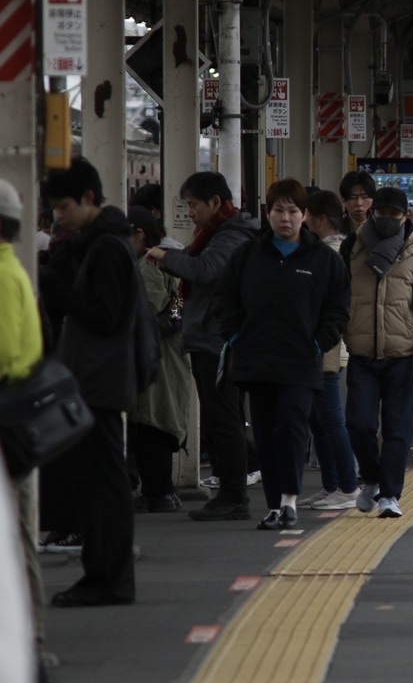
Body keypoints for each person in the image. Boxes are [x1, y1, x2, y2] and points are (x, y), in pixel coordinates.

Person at [215, 179, 349, 531]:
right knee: (266, 432)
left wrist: (320, 342)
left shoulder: (322, 259)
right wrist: (235, 335)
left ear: (305, 215)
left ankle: (289, 500)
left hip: (301, 360)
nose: (285, 218)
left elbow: (338, 308)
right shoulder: (247, 255)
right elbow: (225, 299)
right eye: (278, 210)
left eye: (292, 211)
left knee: (291, 425)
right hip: (256, 361)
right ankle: (274, 506)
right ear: (267, 213)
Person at [38, 157, 138, 607]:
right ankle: (100, 574)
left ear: (89, 200)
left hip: (100, 380)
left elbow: (107, 317)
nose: (58, 215)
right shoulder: (93, 244)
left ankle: (111, 579)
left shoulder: (109, 249)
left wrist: (58, 287)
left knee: (104, 483)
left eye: (63, 207)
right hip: (91, 378)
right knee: (93, 482)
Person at [145, 171, 259, 522]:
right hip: (210, 338)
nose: (190, 212)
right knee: (221, 418)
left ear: (214, 203)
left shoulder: (231, 235)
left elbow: (206, 270)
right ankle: (230, 492)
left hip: (217, 341)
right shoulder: (218, 233)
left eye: (193, 205)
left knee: (224, 418)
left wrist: (165, 256)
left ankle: (233, 496)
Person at [343, 187, 413, 518]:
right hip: (362, 356)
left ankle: (390, 494)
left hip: (403, 356)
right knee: (358, 423)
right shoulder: (351, 250)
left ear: (406, 217)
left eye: (394, 215)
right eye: (381, 214)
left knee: (398, 430)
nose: (387, 220)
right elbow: (337, 305)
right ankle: (371, 477)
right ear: (372, 214)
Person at [0, 178, 48, 683]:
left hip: (8, 424)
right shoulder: (15, 271)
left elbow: (9, 357)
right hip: (19, 419)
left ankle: (31, 642)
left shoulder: (2, 277)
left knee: (14, 536)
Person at [297, 190, 360, 510]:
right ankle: (332, 485)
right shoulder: (333, 251)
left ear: (320, 219)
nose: (301, 220)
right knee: (320, 420)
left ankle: (347, 486)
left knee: (331, 419)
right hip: (327, 347)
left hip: (328, 349)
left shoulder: (328, 254)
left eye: (305, 214)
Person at [127, 206, 189, 513]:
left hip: (156, 356)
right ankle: (162, 491)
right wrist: (176, 315)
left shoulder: (147, 265)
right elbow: (177, 306)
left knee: (151, 422)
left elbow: (150, 313)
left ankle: (158, 492)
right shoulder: (165, 258)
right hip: (170, 353)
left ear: (139, 234)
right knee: (160, 421)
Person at [338, 171, 376, 252]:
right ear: (343, 200)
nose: (359, 203)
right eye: (353, 197)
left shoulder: (379, 229)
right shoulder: (336, 229)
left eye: (365, 197)